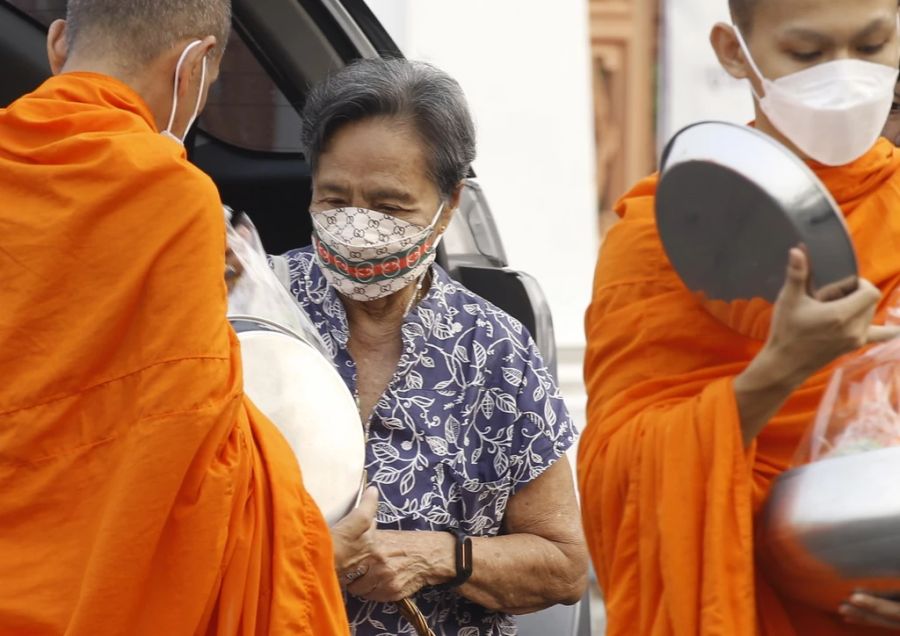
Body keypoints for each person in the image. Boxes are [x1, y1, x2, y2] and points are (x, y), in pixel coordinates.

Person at [0, 2, 348, 634]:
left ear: (57, 45)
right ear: (193, 67)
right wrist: (300, 520)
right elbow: (189, 451)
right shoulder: (172, 196)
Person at [578, 0, 900, 634]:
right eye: (807, 54)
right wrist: (779, 372)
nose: (845, 77)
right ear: (733, 52)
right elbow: (620, 478)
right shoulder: (660, 240)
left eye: (872, 46)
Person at [278, 58, 589, 635]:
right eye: (334, 199)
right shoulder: (254, 311)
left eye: (389, 207)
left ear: (449, 205)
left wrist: (438, 557)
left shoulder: (492, 351)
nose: (357, 225)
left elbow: (564, 566)